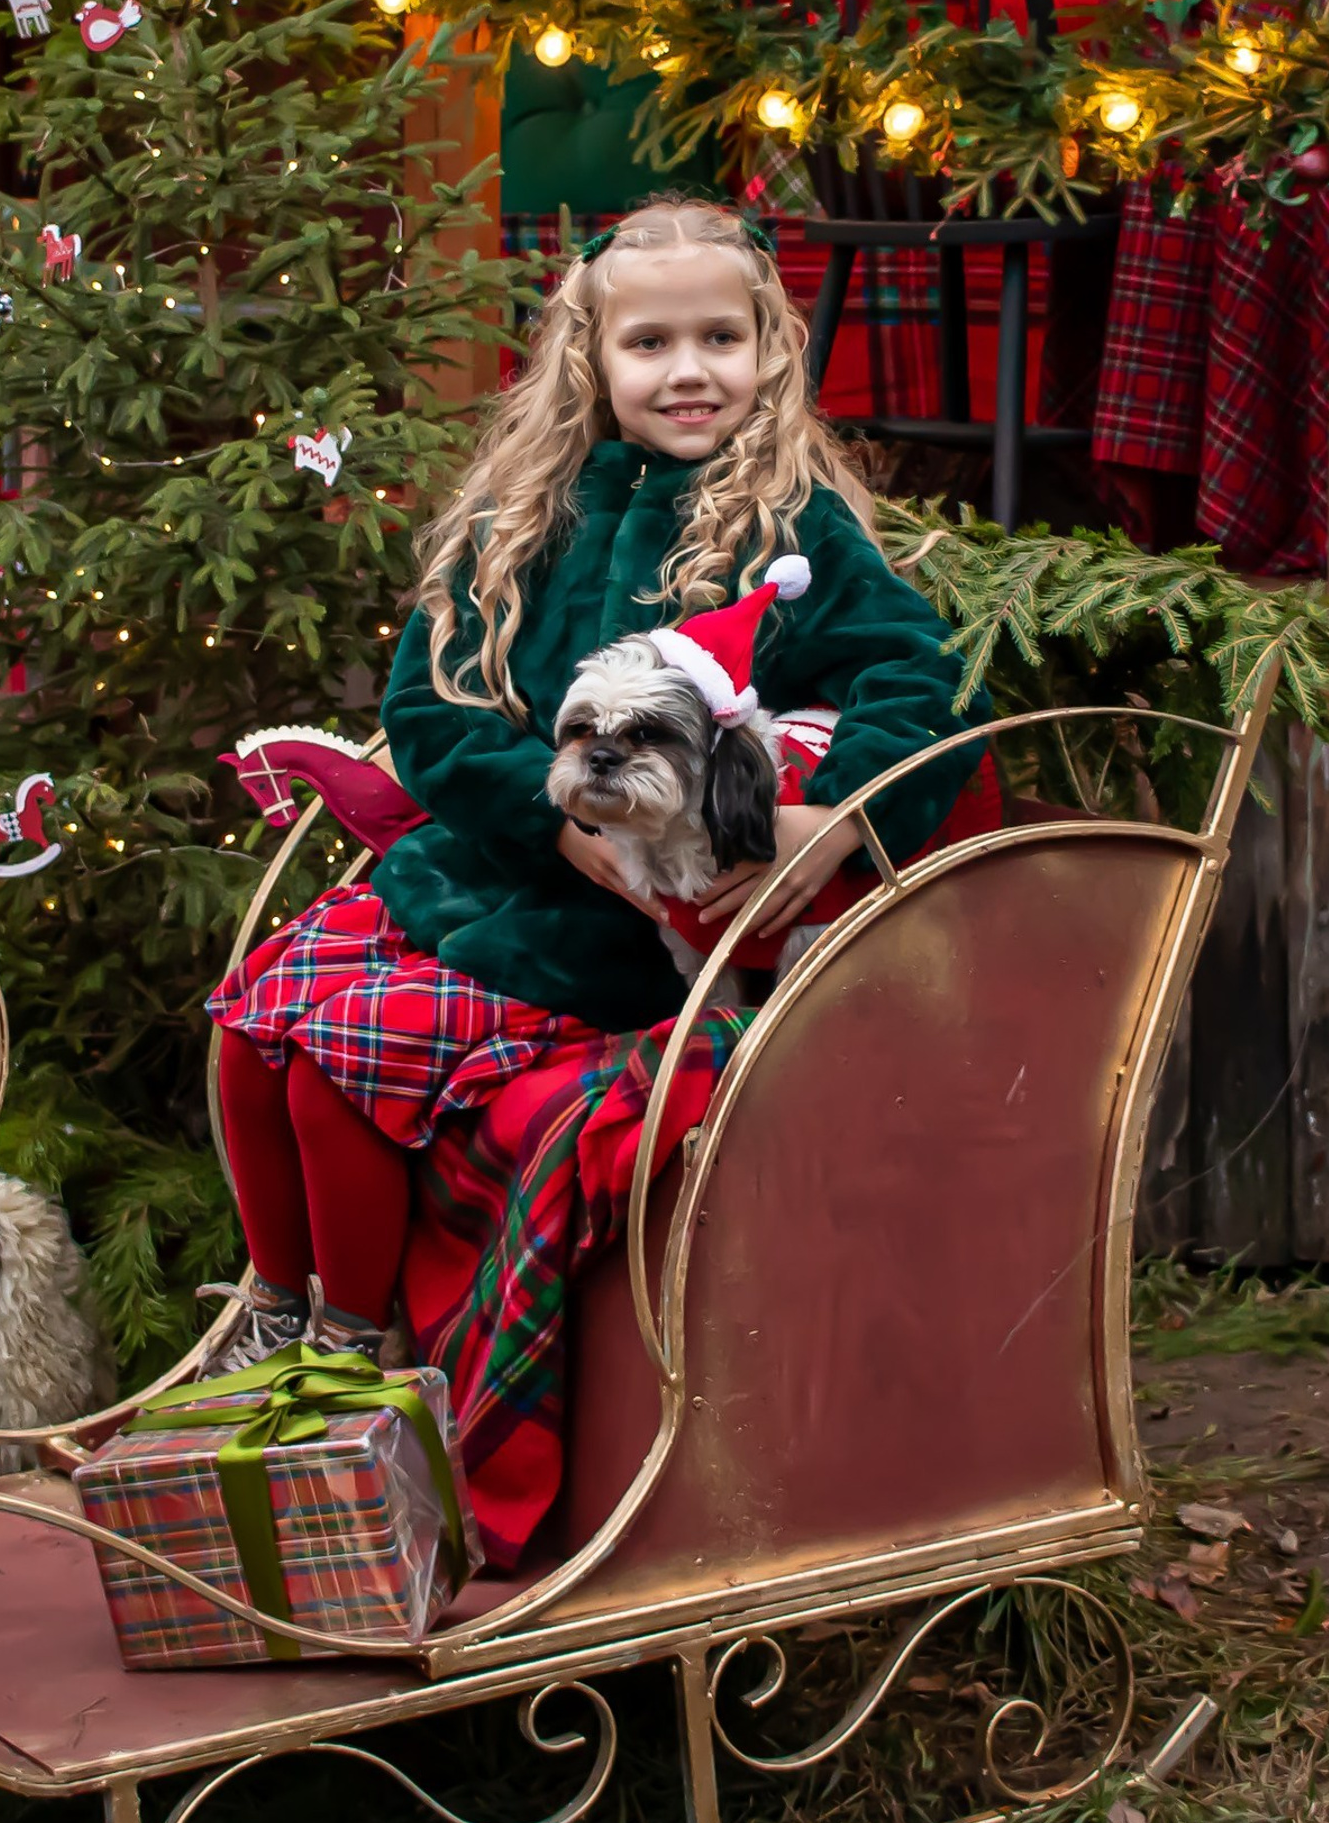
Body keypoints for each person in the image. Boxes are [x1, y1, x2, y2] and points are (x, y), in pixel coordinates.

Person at [205, 197, 988, 1382]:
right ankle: (273, 1300)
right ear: (592, 355)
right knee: (252, 1019)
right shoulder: (523, 519)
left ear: (769, 349)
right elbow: (427, 711)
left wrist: (836, 814)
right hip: (507, 867)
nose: (689, 373)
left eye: (720, 340)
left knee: (339, 1063)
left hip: (631, 927)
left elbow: (918, 682)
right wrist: (543, 818)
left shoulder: (794, 528)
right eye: (650, 344)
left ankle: (350, 1349)